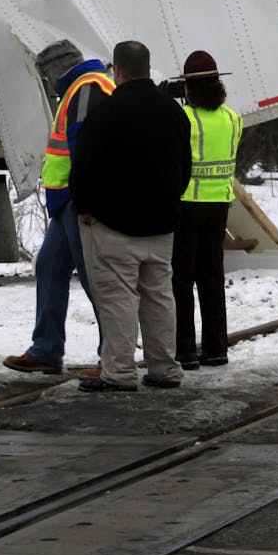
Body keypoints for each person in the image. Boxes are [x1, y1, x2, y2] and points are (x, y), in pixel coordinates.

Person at [68, 40, 191, 391]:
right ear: (148, 68)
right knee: (159, 296)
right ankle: (164, 368)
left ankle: (120, 373)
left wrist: (84, 207)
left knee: (118, 299)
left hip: (114, 226)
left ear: (117, 70)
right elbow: (184, 167)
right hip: (161, 224)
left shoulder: (105, 113)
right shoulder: (173, 112)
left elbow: (83, 168)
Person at [3, 39, 114, 378]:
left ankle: (112, 356)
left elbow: (83, 149)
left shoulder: (85, 88)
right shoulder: (87, 87)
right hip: (68, 202)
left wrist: (84, 200)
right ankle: (45, 350)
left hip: (77, 201)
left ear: (55, 71)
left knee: (97, 281)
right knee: (50, 267)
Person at [170, 50, 243, 369]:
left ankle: (185, 349)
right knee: (212, 277)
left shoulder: (186, 119)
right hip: (219, 206)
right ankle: (216, 347)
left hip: (187, 206)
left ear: (188, 88)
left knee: (181, 280)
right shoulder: (232, 118)